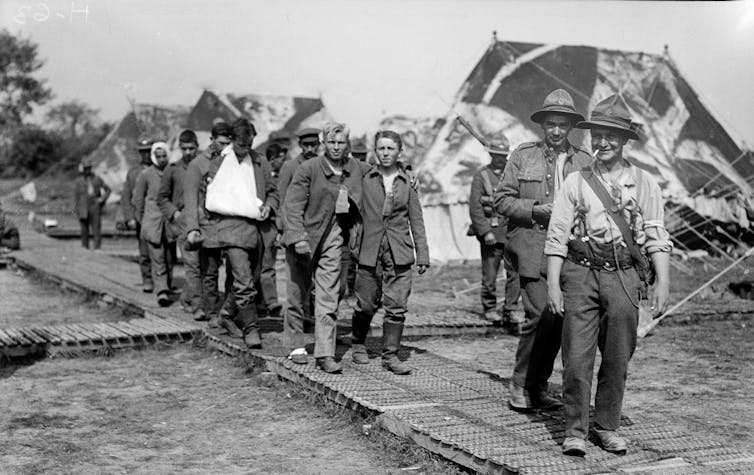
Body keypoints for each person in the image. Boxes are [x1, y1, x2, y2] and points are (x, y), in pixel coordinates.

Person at [545, 94, 671, 456]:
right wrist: (553, 284)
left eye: (611, 136)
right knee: (576, 358)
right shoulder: (575, 181)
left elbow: (655, 235)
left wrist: (663, 281)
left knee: (617, 357)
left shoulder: (645, 183)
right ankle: (574, 431)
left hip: (624, 278)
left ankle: (606, 426)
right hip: (580, 273)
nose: (602, 143)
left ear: (625, 140)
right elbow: (557, 236)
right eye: (597, 135)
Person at [495, 89, 592, 411]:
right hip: (532, 249)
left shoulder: (584, 162)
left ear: (571, 127)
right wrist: (536, 209)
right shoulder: (523, 156)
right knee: (539, 317)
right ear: (542, 125)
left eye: (562, 125)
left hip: (570, 253)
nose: (556, 131)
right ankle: (520, 385)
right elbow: (502, 201)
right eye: (551, 124)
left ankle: (538, 386)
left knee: (560, 321)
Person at [185, 118, 278, 348]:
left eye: (249, 145)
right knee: (244, 281)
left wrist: (270, 205)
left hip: (257, 228)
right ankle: (251, 329)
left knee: (252, 279)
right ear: (233, 140)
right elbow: (212, 199)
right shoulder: (220, 163)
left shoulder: (259, 162)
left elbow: (273, 192)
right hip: (231, 229)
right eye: (241, 146)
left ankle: (226, 314)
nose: (245, 150)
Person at [283, 122, 363, 373]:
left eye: (341, 143)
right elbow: (292, 204)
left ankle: (325, 353)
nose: (336, 147)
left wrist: (407, 174)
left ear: (347, 145)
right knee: (297, 293)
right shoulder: (309, 168)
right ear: (323, 144)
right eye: (331, 142)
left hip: (334, 237)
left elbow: (380, 173)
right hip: (305, 237)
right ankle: (296, 345)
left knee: (329, 296)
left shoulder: (354, 169)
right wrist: (297, 237)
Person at [350, 130, 429, 375]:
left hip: (399, 250)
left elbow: (416, 220)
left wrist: (422, 254)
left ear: (399, 152)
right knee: (366, 304)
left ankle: (390, 356)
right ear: (375, 151)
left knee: (397, 306)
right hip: (369, 249)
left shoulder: (407, 182)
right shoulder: (365, 176)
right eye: (381, 149)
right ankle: (358, 344)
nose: (385, 153)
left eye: (390, 149)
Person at [467, 132, 522, 332]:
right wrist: (485, 232)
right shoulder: (481, 176)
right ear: (490, 154)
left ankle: (510, 308)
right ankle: (490, 307)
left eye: (502, 154)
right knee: (489, 275)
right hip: (492, 234)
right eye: (496, 154)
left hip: (512, 233)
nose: (500, 157)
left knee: (514, 274)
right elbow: (475, 208)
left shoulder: (514, 173)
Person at [183, 122, 234, 328]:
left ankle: (231, 311)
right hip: (209, 225)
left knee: (235, 271)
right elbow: (190, 198)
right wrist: (193, 227)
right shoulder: (198, 164)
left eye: (228, 143)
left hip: (231, 224)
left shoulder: (233, 161)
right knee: (210, 272)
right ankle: (212, 311)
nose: (225, 147)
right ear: (212, 140)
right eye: (221, 143)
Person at [278, 127, 320, 362]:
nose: (310, 149)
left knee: (325, 291)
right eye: (306, 145)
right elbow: (284, 204)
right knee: (295, 291)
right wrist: (288, 234)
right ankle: (295, 343)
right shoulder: (290, 167)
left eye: (314, 144)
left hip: (320, 237)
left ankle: (322, 338)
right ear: (300, 145)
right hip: (297, 235)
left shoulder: (324, 167)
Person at [157, 129, 204, 319]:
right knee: (192, 264)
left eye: (191, 148)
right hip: (184, 222)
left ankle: (187, 298)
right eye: (184, 149)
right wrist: (174, 214)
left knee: (205, 265)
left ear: (197, 147)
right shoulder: (173, 169)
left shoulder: (204, 165)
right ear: (180, 149)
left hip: (204, 220)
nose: (188, 152)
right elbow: (162, 197)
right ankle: (197, 305)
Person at [133, 141, 175, 307]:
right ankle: (162, 291)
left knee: (170, 258)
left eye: (164, 155)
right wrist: (141, 219)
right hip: (152, 221)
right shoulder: (146, 174)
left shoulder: (173, 172)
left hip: (170, 222)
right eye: (158, 156)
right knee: (157, 258)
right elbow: (138, 199)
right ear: (153, 157)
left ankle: (167, 285)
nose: (162, 159)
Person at [121, 139, 155, 292]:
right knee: (144, 252)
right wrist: (130, 218)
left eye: (148, 151)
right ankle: (147, 279)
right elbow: (126, 197)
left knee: (165, 253)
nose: (146, 155)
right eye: (143, 152)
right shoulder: (134, 173)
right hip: (141, 218)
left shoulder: (162, 169)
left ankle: (163, 282)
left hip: (158, 217)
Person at [73, 159, 111, 250]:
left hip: (94, 206)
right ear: (83, 169)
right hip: (83, 207)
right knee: (84, 229)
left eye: (88, 168)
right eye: (85, 168)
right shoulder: (79, 181)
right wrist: (75, 210)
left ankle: (97, 248)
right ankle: (84, 247)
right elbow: (76, 196)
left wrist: (101, 199)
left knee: (96, 228)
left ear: (91, 168)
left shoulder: (97, 179)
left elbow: (108, 190)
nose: (87, 170)